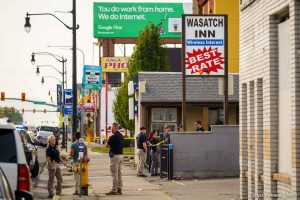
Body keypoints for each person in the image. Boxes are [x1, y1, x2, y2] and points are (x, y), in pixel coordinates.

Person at [105, 122, 124, 195]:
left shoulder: (112, 137)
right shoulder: (121, 136)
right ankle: (120, 188)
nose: (111, 130)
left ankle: (114, 189)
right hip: (121, 155)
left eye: (111, 128)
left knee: (114, 173)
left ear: (114, 128)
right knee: (119, 173)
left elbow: (106, 145)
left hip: (114, 156)